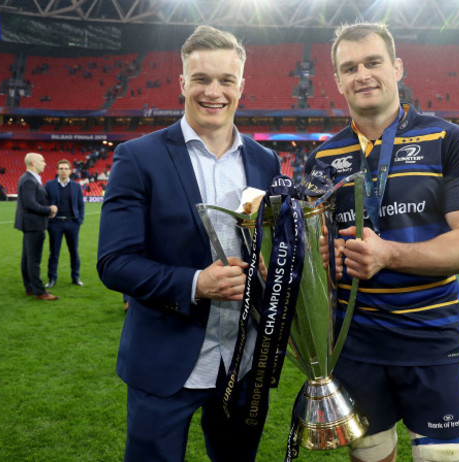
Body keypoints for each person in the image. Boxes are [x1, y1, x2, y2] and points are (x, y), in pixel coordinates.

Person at [303, 23, 459, 462]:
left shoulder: (450, 140)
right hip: (354, 345)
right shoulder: (322, 159)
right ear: (337, 80)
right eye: (349, 68)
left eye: (373, 62)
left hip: (431, 339)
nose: (363, 75)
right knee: (371, 456)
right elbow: (316, 254)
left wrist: (387, 254)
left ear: (397, 67)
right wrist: (322, 257)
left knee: (442, 457)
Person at [97, 25, 281, 462]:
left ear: (241, 85)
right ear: (183, 83)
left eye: (226, 80)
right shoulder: (138, 156)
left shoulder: (265, 160)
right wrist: (198, 283)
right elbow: (114, 262)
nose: (213, 91)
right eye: (201, 79)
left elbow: (274, 246)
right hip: (165, 363)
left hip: (244, 363)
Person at [14, 152, 59, 301]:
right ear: (33, 163)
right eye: (42, 160)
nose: (45, 163)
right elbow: (30, 204)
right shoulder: (29, 180)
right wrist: (49, 209)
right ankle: (39, 291)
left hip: (30, 223)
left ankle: (30, 288)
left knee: (27, 258)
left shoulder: (28, 179)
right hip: (34, 224)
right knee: (33, 260)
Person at [44, 159, 85, 288]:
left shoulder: (76, 186)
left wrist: (79, 220)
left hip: (72, 223)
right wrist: (49, 219)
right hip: (55, 223)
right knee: (54, 253)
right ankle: (52, 279)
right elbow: (44, 203)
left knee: (74, 252)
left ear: (70, 171)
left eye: (66, 168)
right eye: (61, 168)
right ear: (57, 170)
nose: (63, 171)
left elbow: (80, 205)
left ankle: (76, 277)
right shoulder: (49, 185)